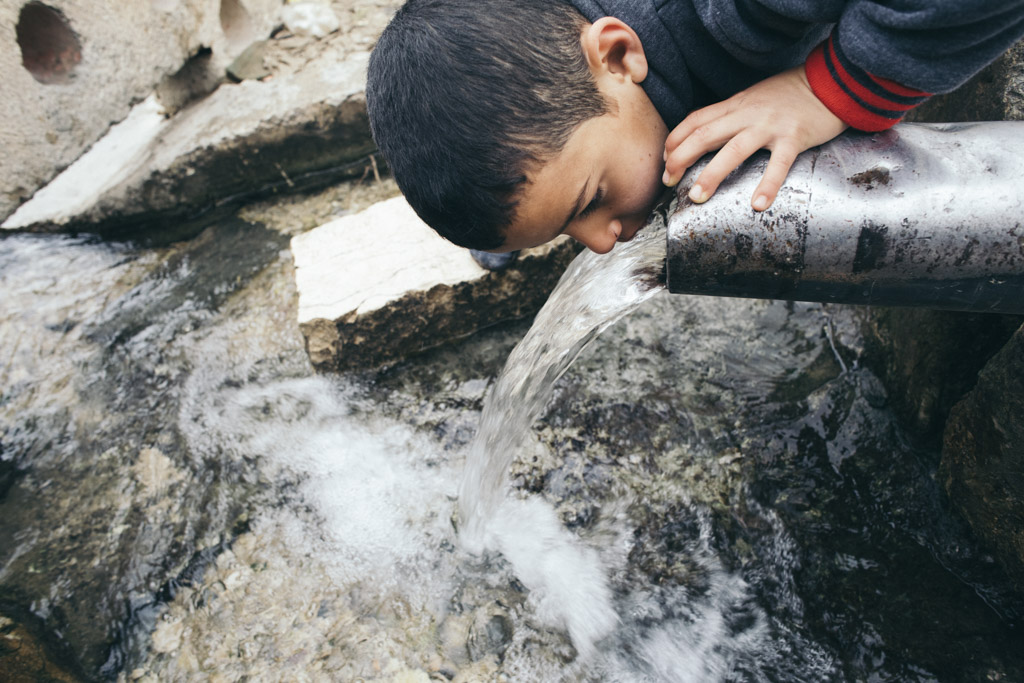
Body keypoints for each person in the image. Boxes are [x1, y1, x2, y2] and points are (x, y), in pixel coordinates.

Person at [366, 0, 1024, 257]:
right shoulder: (551, 67)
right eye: (566, 231)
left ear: (621, 55)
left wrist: (832, 86)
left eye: (590, 202)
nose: (600, 243)